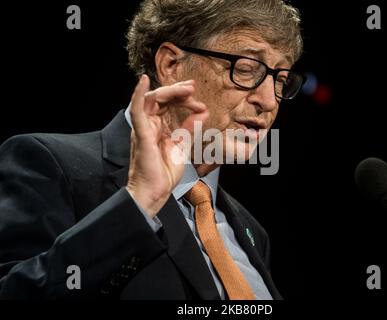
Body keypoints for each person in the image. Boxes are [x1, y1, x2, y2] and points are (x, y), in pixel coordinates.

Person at [0, 0, 304, 299]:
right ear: (171, 65)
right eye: (247, 69)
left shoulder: (252, 231)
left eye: (280, 79)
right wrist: (139, 204)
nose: (268, 100)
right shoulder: (50, 164)